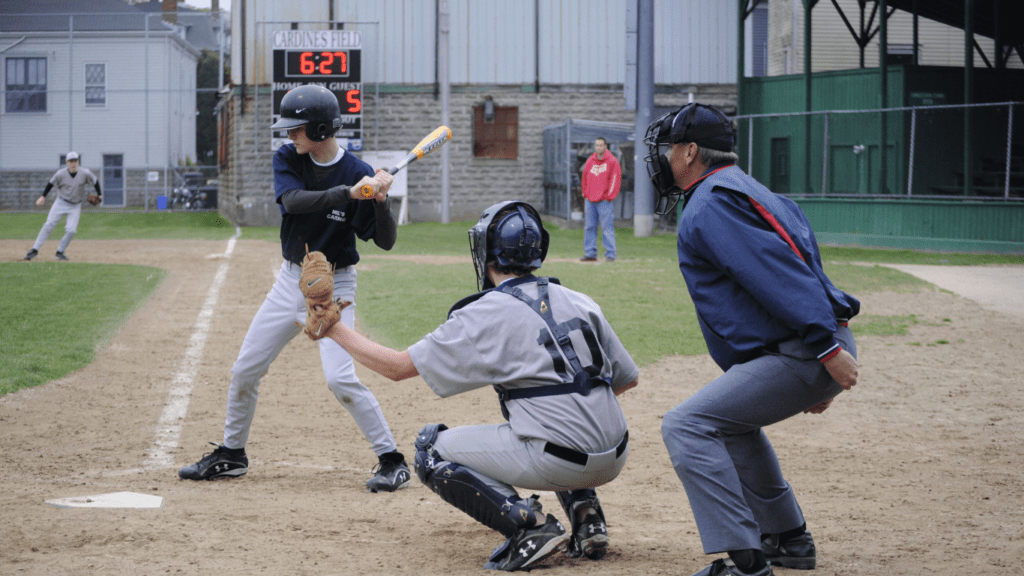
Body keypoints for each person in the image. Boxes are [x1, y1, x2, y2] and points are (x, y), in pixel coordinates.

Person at [308, 201, 639, 571]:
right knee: (551, 412)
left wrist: (334, 328)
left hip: (557, 460)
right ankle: (587, 516)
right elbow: (627, 379)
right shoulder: (579, 299)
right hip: (616, 453)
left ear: (486, 252)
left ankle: (530, 528)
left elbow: (398, 367)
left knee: (430, 450)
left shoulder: (486, 311)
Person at [642, 103, 861, 576]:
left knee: (686, 425)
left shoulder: (711, 201)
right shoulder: (746, 187)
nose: (664, 158)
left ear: (692, 151)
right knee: (729, 422)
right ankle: (788, 538)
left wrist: (824, 352)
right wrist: (823, 351)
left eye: (671, 148)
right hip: (806, 344)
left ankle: (745, 561)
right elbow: (806, 268)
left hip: (807, 346)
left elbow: (779, 275)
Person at [179, 85, 411, 493]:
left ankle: (392, 460)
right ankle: (232, 454)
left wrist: (379, 200)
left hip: (335, 286)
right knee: (245, 368)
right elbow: (293, 201)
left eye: (297, 129)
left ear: (320, 129)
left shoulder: (357, 170)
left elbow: (386, 240)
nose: (289, 136)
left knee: (340, 379)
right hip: (291, 280)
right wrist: (348, 192)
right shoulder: (289, 159)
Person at [24, 151, 101, 262]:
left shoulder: (85, 173)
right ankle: (34, 250)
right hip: (61, 202)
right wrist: (43, 196)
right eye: (71, 161)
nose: (73, 163)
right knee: (49, 224)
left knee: (71, 231)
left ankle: (60, 252)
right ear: (67, 162)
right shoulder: (60, 173)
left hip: (75, 205)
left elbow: (95, 181)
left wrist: (100, 195)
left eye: (75, 161)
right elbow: (50, 183)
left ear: (78, 162)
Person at [580, 137, 621, 262]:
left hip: (604, 200)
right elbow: (585, 177)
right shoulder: (590, 161)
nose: (599, 147)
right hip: (590, 200)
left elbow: (615, 179)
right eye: (597, 145)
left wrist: (609, 196)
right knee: (589, 227)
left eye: (601, 145)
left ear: (605, 146)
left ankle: (610, 254)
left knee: (607, 227)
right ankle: (590, 252)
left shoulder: (612, 161)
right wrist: (585, 193)